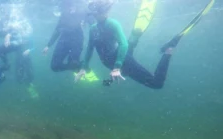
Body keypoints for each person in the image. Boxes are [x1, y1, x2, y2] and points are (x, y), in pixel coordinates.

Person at [77, 0, 212, 88]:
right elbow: (90, 47)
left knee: (156, 84)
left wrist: (117, 67)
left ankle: (168, 51)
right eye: (94, 13)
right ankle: (135, 35)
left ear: (105, 11)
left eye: (97, 12)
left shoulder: (113, 24)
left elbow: (123, 44)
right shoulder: (94, 27)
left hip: (122, 60)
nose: (95, 15)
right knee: (127, 50)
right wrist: (84, 67)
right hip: (113, 61)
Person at [0, 3, 38, 98]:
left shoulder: (22, 25)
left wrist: (29, 49)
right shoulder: (8, 23)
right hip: (16, 48)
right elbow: (2, 34)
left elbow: (31, 41)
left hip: (23, 51)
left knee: (25, 72)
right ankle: (1, 71)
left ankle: (29, 84)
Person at [42, 0, 92, 77]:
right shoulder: (64, 14)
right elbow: (57, 30)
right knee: (54, 67)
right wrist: (48, 45)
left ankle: (80, 67)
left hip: (77, 40)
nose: (69, 7)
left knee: (73, 64)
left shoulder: (83, 11)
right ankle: (80, 67)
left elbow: (93, 24)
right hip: (63, 40)